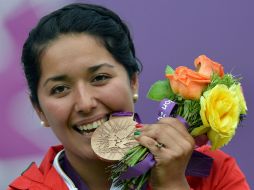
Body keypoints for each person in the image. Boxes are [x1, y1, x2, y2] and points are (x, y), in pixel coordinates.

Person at [8, 3, 250, 190]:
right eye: (60, 89)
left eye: (99, 78)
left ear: (133, 80)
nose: (85, 103)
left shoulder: (212, 172)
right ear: (39, 110)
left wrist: (173, 184)